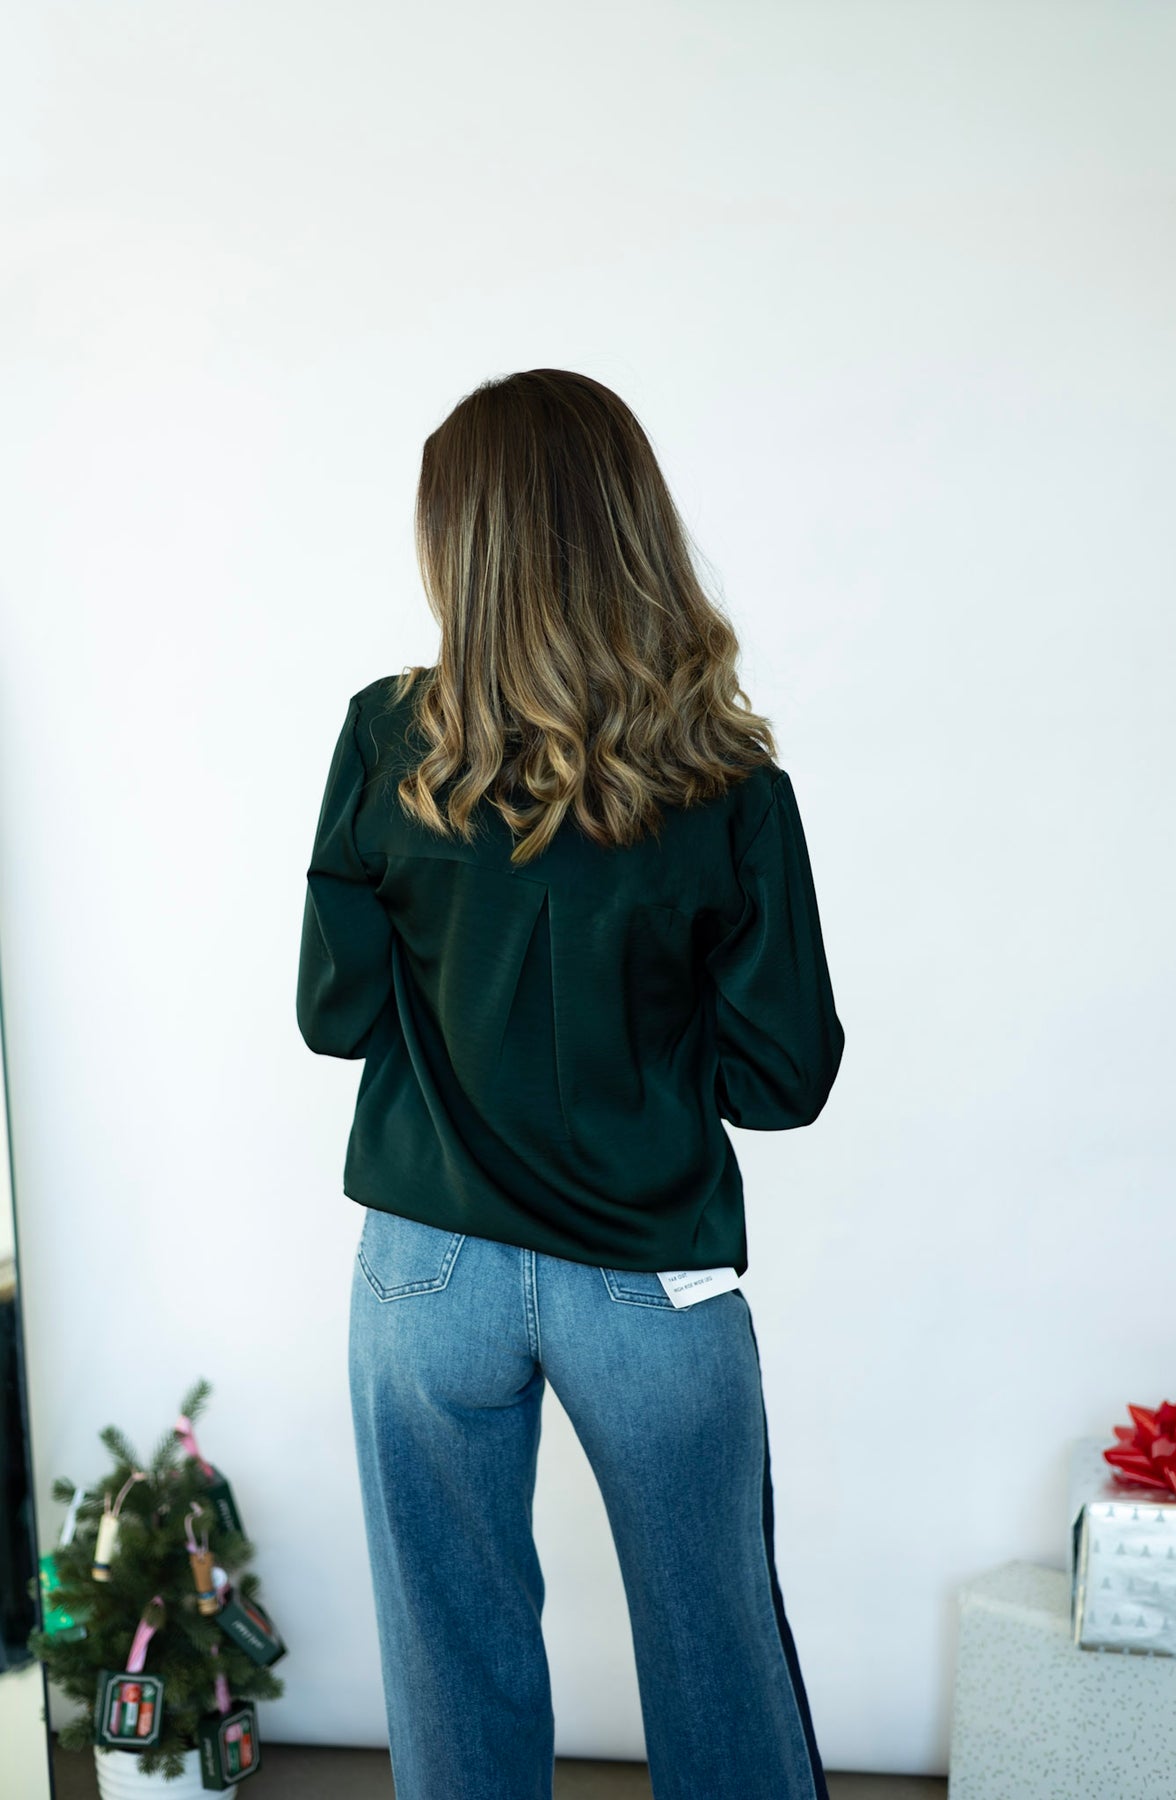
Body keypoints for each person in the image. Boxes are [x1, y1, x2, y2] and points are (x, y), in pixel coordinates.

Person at [296, 368, 846, 1800]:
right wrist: (644, 1064)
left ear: (460, 547)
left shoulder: (385, 739)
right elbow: (784, 1077)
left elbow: (334, 1014)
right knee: (720, 1659)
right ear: (627, 527)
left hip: (426, 1270)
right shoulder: (728, 780)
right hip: (650, 1273)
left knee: (451, 1664)